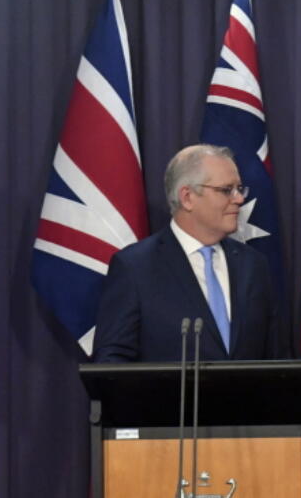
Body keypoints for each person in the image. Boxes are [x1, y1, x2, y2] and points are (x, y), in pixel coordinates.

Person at [92, 144, 278, 362]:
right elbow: (112, 361)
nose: (239, 199)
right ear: (187, 197)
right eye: (227, 190)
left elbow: (275, 357)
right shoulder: (135, 267)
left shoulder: (253, 265)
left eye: (239, 188)